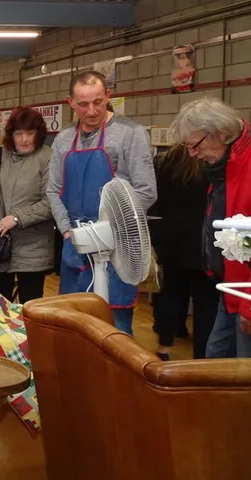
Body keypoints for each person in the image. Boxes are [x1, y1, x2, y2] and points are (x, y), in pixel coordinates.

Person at [47, 71, 156, 335]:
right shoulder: (63, 139)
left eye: (98, 102)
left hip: (116, 248)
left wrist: (111, 230)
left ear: (108, 95)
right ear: (70, 102)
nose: (92, 110)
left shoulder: (131, 133)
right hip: (75, 244)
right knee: (72, 324)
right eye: (83, 104)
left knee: (114, 327)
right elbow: (53, 190)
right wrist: (66, 230)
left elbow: (146, 191)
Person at [169, 96, 251, 358]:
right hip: (229, 290)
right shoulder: (223, 164)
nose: (192, 154)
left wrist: (248, 305)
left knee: (240, 379)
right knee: (214, 366)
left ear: (222, 134)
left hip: (245, 296)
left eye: (195, 146)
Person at [0, 107, 54, 303]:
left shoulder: (48, 157)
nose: (24, 139)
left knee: (30, 309)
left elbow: (52, 201)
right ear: (11, 134)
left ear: (38, 134)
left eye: (30, 133)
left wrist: (17, 218)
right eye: (19, 133)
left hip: (33, 250)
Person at [149, 143, 218, 360]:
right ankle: (201, 355)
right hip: (206, 239)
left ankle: (164, 346)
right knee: (206, 301)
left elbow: (156, 200)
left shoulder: (168, 160)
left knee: (171, 292)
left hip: (172, 238)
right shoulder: (212, 162)